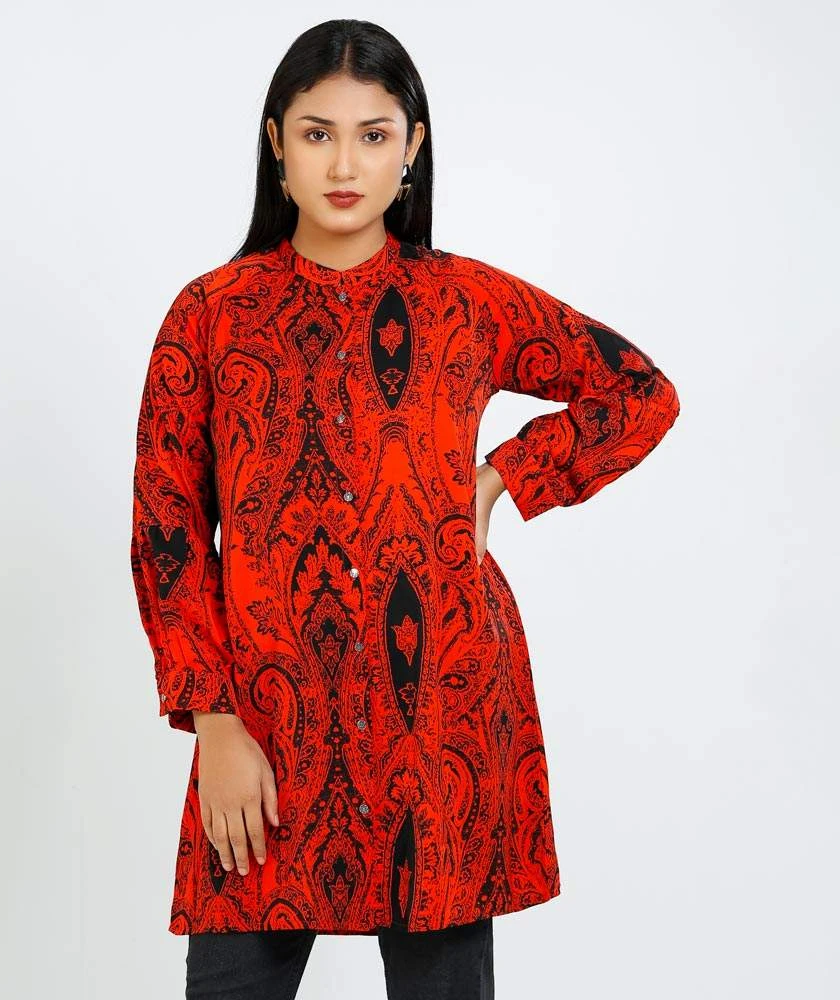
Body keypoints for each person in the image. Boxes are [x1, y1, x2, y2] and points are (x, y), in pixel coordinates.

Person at [129, 18, 680, 1000]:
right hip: (264, 723)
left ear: (412, 147)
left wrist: (504, 476)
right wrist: (213, 720)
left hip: (440, 719)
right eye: (318, 133)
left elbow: (638, 390)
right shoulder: (210, 315)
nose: (345, 164)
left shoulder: (465, 301)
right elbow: (167, 530)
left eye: (373, 135)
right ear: (276, 143)